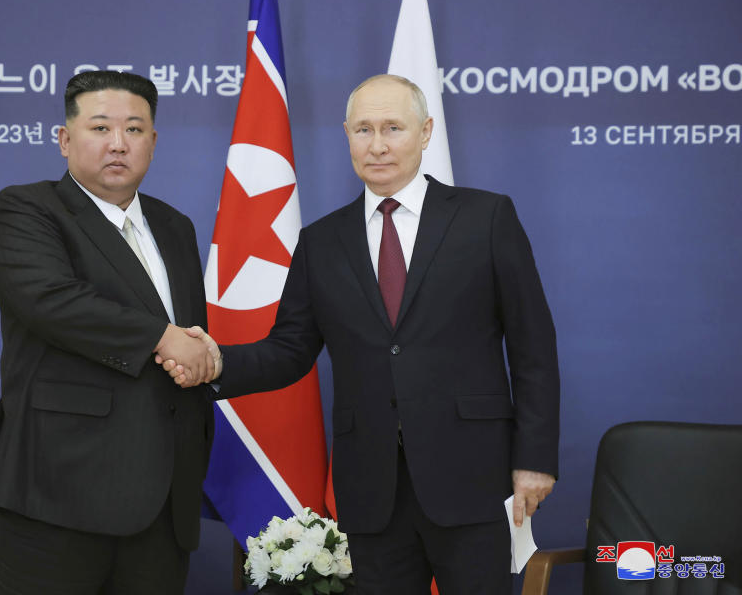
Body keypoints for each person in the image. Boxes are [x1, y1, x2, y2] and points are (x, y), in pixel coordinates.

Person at [163, 74, 560, 594]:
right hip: (372, 488)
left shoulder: (485, 217)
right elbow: (290, 350)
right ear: (346, 135)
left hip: (472, 478)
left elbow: (533, 347)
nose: (377, 145)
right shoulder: (322, 241)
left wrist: (534, 459)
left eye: (393, 128)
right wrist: (216, 362)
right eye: (363, 129)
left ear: (425, 133)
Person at [0, 70, 221, 595]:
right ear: (65, 139)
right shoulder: (28, 208)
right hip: (60, 494)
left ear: (153, 143)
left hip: (164, 503)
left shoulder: (175, 225)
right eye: (100, 128)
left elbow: (190, 333)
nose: (118, 143)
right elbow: (54, 301)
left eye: (135, 130)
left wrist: (196, 355)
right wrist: (165, 339)